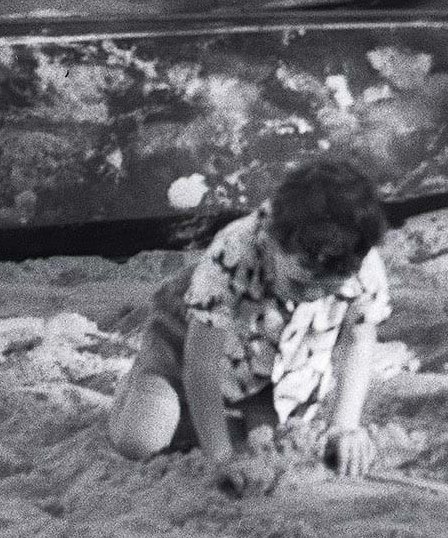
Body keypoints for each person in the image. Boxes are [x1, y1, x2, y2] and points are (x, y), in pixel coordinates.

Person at [106, 159, 394, 493]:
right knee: (141, 441)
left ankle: (237, 413)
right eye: (300, 284)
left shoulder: (359, 262)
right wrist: (220, 459)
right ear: (272, 243)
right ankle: (142, 385)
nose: (313, 296)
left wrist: (344, 426)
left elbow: (358, 340)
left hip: (273, 365)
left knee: (263, 445)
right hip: (187, 345)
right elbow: (201, 365)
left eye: (329, 289)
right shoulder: (233, 251)